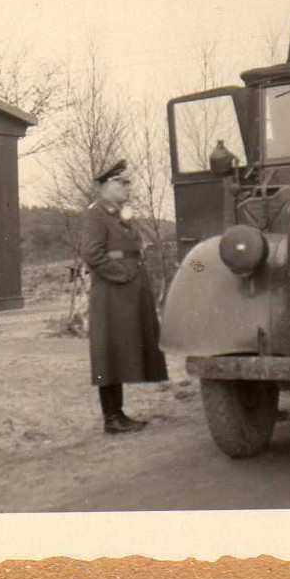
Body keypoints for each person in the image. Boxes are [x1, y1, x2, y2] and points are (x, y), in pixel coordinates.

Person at [81, 159, 168, 434]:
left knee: (119, 351)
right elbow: (92, 254)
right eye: (122, 182)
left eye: (127, 182)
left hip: (126, 292)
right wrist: (123, 275)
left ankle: (116, 414)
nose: (127, 187)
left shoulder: (118, 213)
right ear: (107, 185)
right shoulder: (96, 214)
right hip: (112, 293)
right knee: (108, 353)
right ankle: (112, 417)